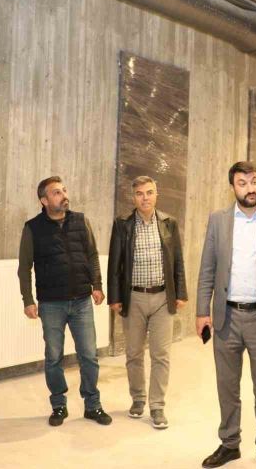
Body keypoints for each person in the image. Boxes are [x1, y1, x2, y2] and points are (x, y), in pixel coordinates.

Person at [196, 161, 256, 469]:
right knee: (227, 385)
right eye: (243, 183)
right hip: (226, 317)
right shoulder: (218, 220)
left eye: (254, 181)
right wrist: (202, 311)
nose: (250, 188)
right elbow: (207, 268)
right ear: (233, 187)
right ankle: (229, 444)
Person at [17, 176, 112, 427]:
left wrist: (97, 285)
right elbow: (24, 267)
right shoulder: (33, 228)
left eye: (64, 190)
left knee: (89, 355)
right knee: (54, 357)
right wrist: (28, 300)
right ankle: (58, 405)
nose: (64, 195)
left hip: (82, 301)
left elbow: (91, 255)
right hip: (51, 305)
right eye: (57, 192)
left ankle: (92, 405)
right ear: (44, 200)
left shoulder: (80, 221)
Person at [107, 175, 188, 429]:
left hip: (163, 297)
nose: (145, 198)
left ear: (156, 195)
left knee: (161, 354)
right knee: (133, 353)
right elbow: (115, 264)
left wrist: (181, 292)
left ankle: (157, 406)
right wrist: (115, 297)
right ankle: (138, 398)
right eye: (140, 193)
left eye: (149, 192)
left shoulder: (169, 223)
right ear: (134, 197)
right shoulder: (122, 224)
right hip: (134, 298)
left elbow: (177, 260)